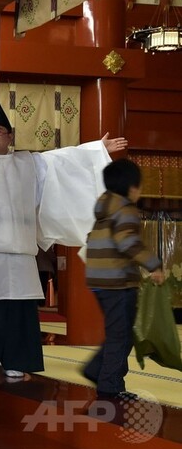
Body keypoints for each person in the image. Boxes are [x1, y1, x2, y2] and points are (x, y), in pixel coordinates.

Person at [0, 100, 126, 378]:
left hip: (21, 253)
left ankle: (17, 360)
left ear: (10, 136)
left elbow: (64, 162)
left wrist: (97, 150)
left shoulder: (29, 164)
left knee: (18, 311)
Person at [84, 158, 164, 399]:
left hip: (99, 282)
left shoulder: (103, 210)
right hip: (118, 282)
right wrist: (154, 265)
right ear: (132, 187)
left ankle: (98, 370)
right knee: (121, 335)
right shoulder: (126, 209)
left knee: (117, 332)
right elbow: (128, 241)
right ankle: (111, 385)